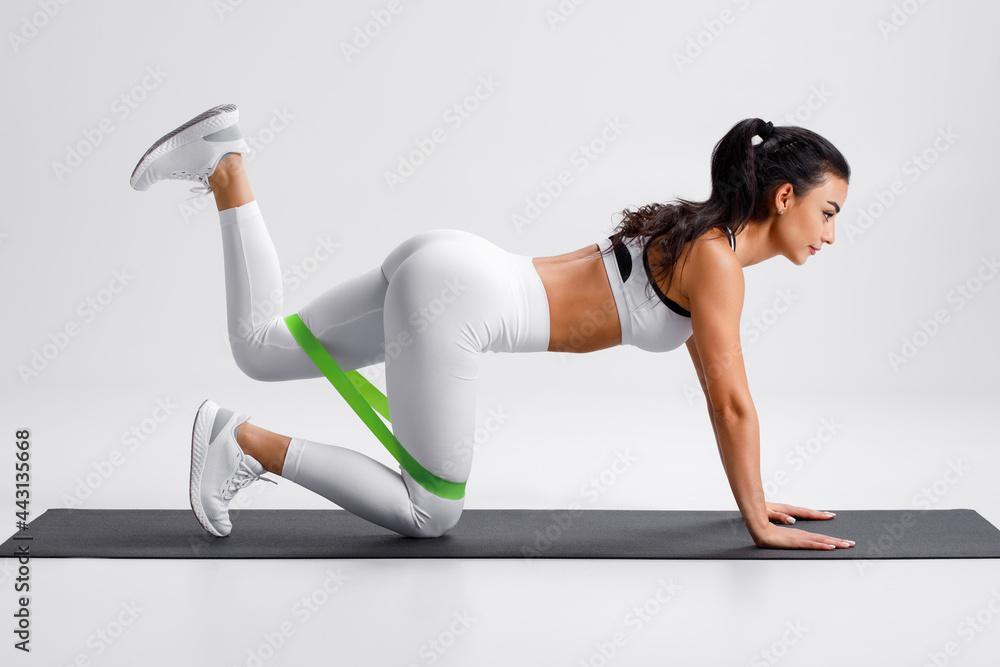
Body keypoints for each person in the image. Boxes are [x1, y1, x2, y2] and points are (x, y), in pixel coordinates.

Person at [130, 104, 854, 550]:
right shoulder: (717, 260)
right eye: (827, 212)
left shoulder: (705, 242)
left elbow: (716, 393)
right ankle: (244, 441)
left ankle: (226, 167)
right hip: (456, 304)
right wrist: (757, 520)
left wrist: (754, 500)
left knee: (260, 347)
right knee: (431, 512)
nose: (829, 234)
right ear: (785, 195)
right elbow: (733, 403)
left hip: (452, 262)